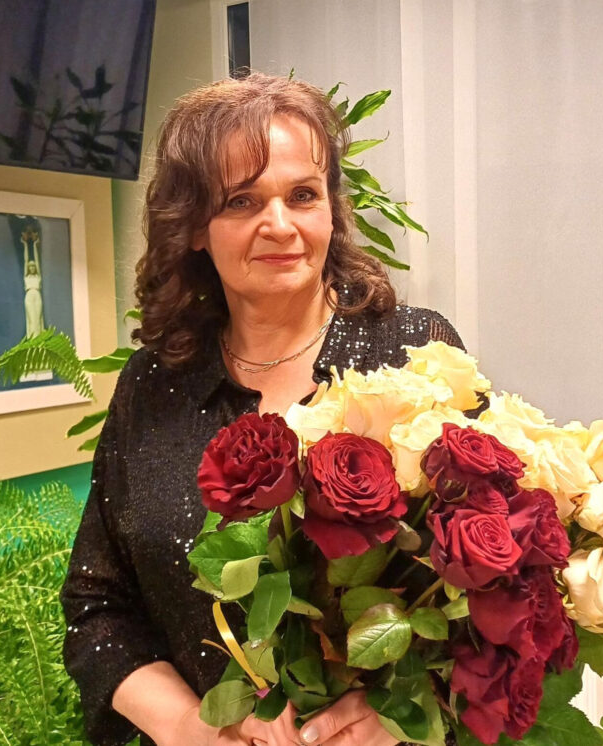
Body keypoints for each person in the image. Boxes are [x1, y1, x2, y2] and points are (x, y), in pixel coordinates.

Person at [61, 72, 465, 746]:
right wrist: (188, 727)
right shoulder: (153, 385)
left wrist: (405, 713)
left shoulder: (414, 354)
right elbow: (97, 606)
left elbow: (500, 585)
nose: (279, 225)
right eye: (241, 201)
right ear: (194, 226)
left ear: (331, 210)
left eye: (302, 195)